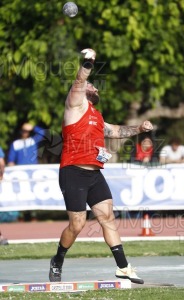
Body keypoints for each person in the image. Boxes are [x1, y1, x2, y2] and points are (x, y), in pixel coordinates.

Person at [49, 48, 153, 284]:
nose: (94, 87)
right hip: (73, 171)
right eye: (92, 85)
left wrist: (139, 130)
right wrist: (88, 60)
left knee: (107, 218)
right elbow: (80, 79)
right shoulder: (75, 104)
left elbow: (115, 131)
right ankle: (57, 260)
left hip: (95, 174)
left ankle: (123, 267)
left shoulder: (97, 116)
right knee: (77, 224)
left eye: (95, 86)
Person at [7, 123, 45, 221]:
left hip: (33, 172)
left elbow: (44, 133)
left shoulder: (32, 141)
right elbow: (11, 159)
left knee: (33, 192)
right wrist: (11, 164)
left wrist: (33, 127)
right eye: (24, 131)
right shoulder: (16, 143)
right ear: (20, 132)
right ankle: (21, 216)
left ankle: (33, 215)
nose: (25, 133)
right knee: (21, 193)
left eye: (27, 131)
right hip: (21, 173)